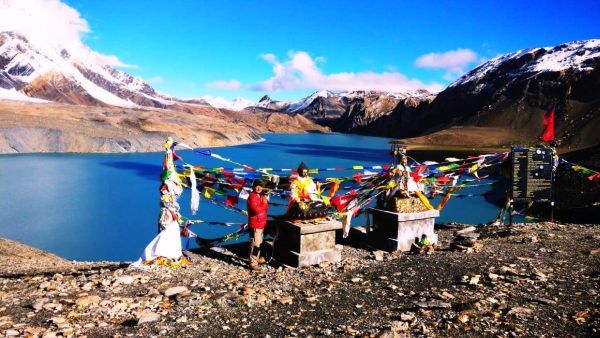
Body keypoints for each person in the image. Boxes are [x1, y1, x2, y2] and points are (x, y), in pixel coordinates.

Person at [247, 180, 269, 271]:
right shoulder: (252, 197)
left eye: (261, 186)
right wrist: (264, 203)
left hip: (260, 223)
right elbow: (257, 210)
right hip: (255, 223)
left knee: (258, 243)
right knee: (255, 244)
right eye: (257, 186)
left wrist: (264, 202)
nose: (259, 188)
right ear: (253, 186)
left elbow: (264, 207)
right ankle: (253, 263)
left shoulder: (260, 195)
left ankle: (256, 259)